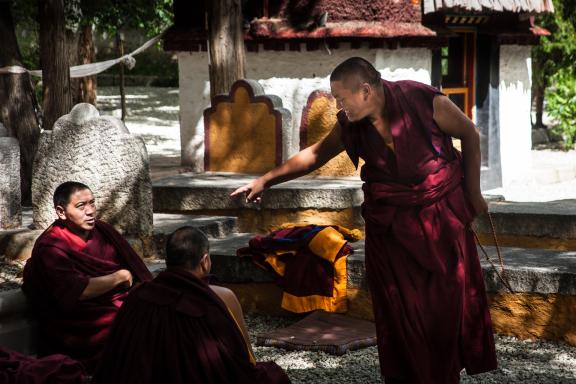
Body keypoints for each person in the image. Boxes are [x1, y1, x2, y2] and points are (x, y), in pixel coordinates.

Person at [231, 57, 497, 383]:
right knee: (400, 320)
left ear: (366, 90)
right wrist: (266, 180)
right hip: (391, 237)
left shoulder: (425, 102)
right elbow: (315, 155)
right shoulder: (350, 125)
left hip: (439, 227)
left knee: (442, 315)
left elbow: (470, 134)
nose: (337, 106)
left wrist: (474, 194)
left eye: (342, 98)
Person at [92, 226, 290, 384]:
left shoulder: (139, 295)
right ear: (205, 261)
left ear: (168, 261)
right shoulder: (222, 296)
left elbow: (117, 355)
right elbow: (244, 358)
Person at [22, 181, 152, 373]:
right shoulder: (52, 246)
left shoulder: (103, 231)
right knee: (138, 327)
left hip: (117, 302)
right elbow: (77, 292)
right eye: (81, 206)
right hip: (80, 323)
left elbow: (139, 273)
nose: (90, 211)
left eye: (92, 203)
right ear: (61, 211)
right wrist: (119, 276)